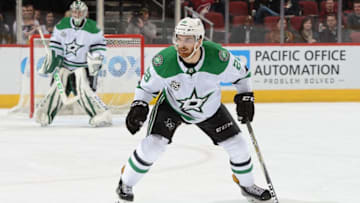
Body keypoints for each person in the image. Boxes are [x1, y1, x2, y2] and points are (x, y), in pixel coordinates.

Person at [115, 17, 271, 202]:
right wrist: (139, 106)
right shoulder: (164, 61)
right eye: (179, 38)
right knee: (154, 145)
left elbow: (242, 75)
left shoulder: (218, 57)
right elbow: (146, 87)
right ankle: (125, 184)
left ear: (199, 40)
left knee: (238, 145)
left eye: (188, 39)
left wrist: (245, 97)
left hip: (209, 109)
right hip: (173, 107)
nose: (182, 44)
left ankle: (247, 185)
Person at [35, 0, 112, 127]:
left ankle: (102, 114)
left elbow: (99, 47)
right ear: (71, 12)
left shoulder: (93, 27)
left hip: (82, 67)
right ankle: (45, 114)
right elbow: (56, 45)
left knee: (84, 92)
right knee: (56, 91)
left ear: (85, 13)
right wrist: (54, 58)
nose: (77, 14)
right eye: (75, 11)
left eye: (80, 11)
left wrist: (96, 58)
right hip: (65, 66)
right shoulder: (62, 25)